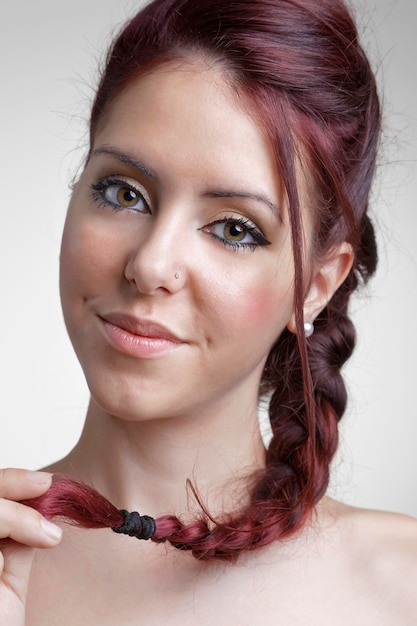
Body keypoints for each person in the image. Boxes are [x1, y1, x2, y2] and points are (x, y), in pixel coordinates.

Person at [1, 0, 416, 623]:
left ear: (316, 284)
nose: (150, 264)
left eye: (233, 229)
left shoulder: (400, 584)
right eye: (124, 193)